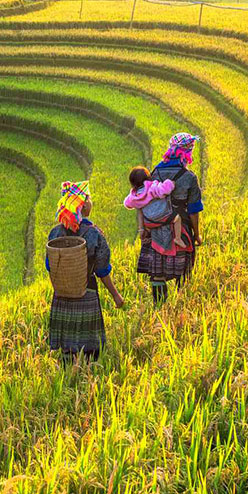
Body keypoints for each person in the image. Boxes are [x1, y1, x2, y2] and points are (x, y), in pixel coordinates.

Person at [46, 181, 125, 362]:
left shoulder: (54, 234)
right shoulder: (93, 234)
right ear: (84, 204)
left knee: (67, 347)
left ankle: (68, 377)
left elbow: (49, 265)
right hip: (86, 291)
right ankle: (88, 381)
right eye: (89, 198)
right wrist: (116, 296)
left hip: (61, 295)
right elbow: (102, 270)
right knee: (91, 349)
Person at [138, 133, 205, 303]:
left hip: (156, 227)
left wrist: (144, 228)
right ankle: (180, 306)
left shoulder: (154, 172)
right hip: (180, 228)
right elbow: (194, 210)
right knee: (183, 269)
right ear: (188, 152)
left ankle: (159, 306)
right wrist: (196, 234)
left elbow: (144, 200)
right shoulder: (189, 177)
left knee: (157, 271)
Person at [124, 166, 189, 250]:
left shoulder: (135, 196)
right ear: (148, 178)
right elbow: (164, 190)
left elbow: (127, 204)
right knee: (177, 218)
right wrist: (171, 183)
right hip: (164, 216)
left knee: (147, 220)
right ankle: (178, 238)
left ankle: (150, 236)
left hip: (149, 222)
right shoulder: (152, 187)